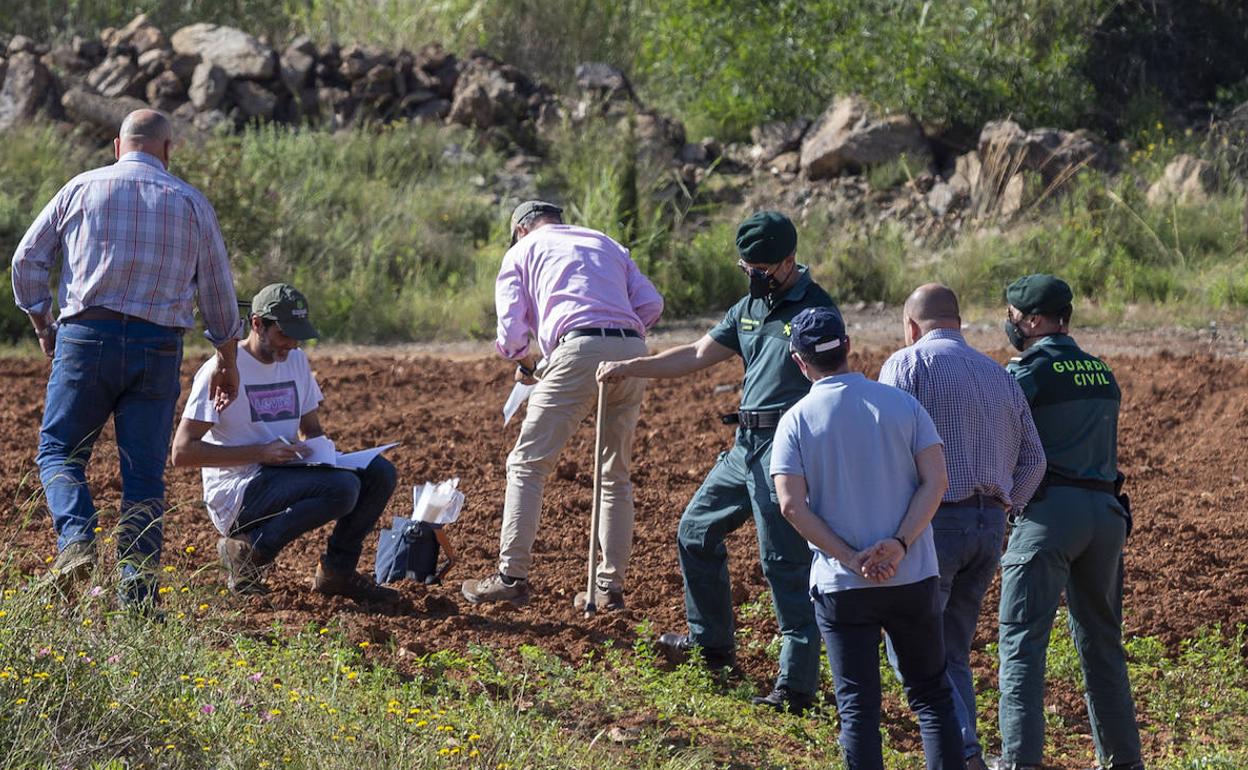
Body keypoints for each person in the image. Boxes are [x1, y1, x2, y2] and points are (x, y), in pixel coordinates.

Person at [598, 211, 832, 714]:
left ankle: (797, 686)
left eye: (762, 268)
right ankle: (712, 646)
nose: (753, 275)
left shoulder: (816, 309)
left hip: (786, 447)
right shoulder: (748, 306)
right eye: (746, 266)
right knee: (695, 531)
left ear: (789, 261)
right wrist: (630, 366)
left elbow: (833, 379)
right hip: (744, 444)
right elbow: (698, 352)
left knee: (783, 563)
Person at [10, 109, 241, 608]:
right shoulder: (191, 202)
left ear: (118, 146)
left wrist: (42, 324)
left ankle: (76, 542)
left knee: (60, 452)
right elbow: (218, 292)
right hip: (158, 348)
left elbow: (26, 259)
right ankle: (136, 596)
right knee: (142, 474)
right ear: (167, 150)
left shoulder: (81, 188)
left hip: (85, 337)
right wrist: (227, 358)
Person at [771, 306, 963, 770]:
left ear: (799, 362)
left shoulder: (795, 421)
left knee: (857, 707)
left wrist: (851, 558)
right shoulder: (902, 404)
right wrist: (898, 545)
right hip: (912, 577)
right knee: (933, 697)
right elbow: (936, 481)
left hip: (843, 587)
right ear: (848, 347)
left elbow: (791, 505)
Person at [461, 201, 663, 609]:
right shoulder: (605, 242)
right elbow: (651, 305)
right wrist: (618, 337)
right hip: (632, 352)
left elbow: (511, 330)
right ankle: (609, 588)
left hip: (577, 349)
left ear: (520, 229)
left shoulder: (522, 251)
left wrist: (528, 362)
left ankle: (511, 577)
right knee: (614, 473)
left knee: (527, 465)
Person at [878, 284, 1046, 770]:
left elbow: (885, 444)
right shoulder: (999, 375)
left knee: (911, 644)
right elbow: (1035, 459)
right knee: (952, 648)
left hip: (934, 523)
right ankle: (965, 752)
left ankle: (960, 753)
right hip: (987, 527)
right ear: (958, 321)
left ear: (912, 327)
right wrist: (1004, 505)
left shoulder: (907, 365)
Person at [994, 275, 1144, 770]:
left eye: (1014, 316)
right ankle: (1123, 761)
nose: (1010, 324)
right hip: (1105, 517)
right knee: (1103, 644)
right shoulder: (1102, 373)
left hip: (1050, 516)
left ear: (1034, 321)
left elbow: (1001, 439)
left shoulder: (1028, 373)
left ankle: (1019, 761)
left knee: (1021, 641)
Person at [171, 283, 398, 603]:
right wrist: (260, 453)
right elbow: (182, 452)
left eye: (296, 336)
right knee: (343, 489)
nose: (290, 344)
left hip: (285, 473)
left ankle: (337, 572)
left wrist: (328, 455)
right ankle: (248, 551)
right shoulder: (223, 370)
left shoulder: (296, 360)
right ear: (257, 324)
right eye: (284, 334)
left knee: (379, 474)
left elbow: (311, 428)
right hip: (238, 490)